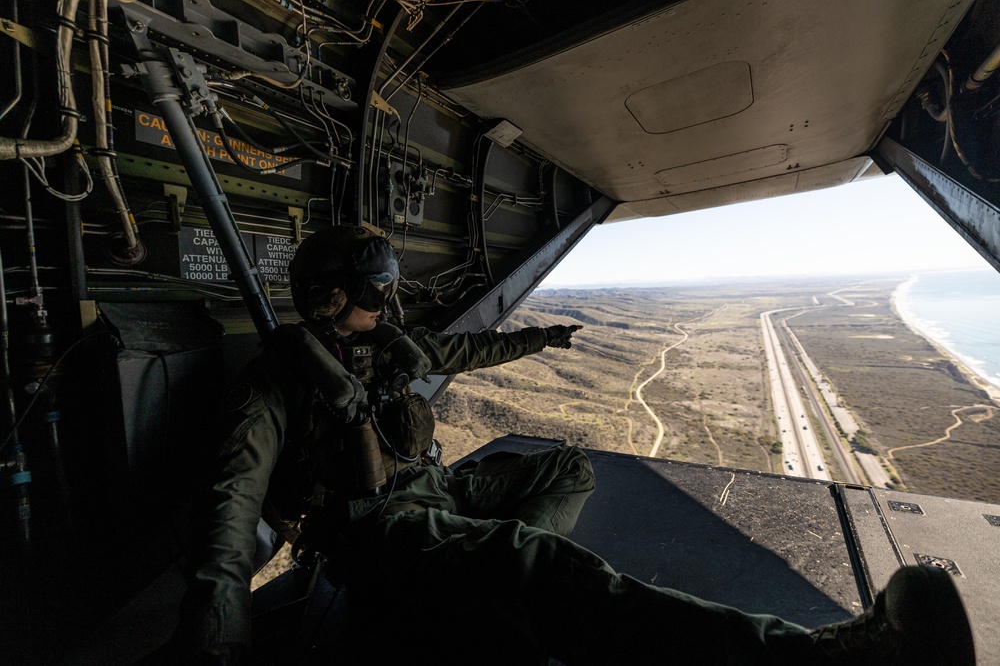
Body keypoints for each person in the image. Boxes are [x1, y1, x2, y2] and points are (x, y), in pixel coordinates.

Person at [176, 225, 977, 665]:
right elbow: (229, 508)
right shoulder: (274, 386)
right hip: (374, 525)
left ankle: (491, 583)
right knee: (539, 562)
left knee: (568, 464)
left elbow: (467, 353)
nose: (390, 298)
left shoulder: (383, 345)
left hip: (434, 492)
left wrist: (549, 335)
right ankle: (817, 661)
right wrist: (220, 638)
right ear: (333, 295)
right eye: (376, 288)